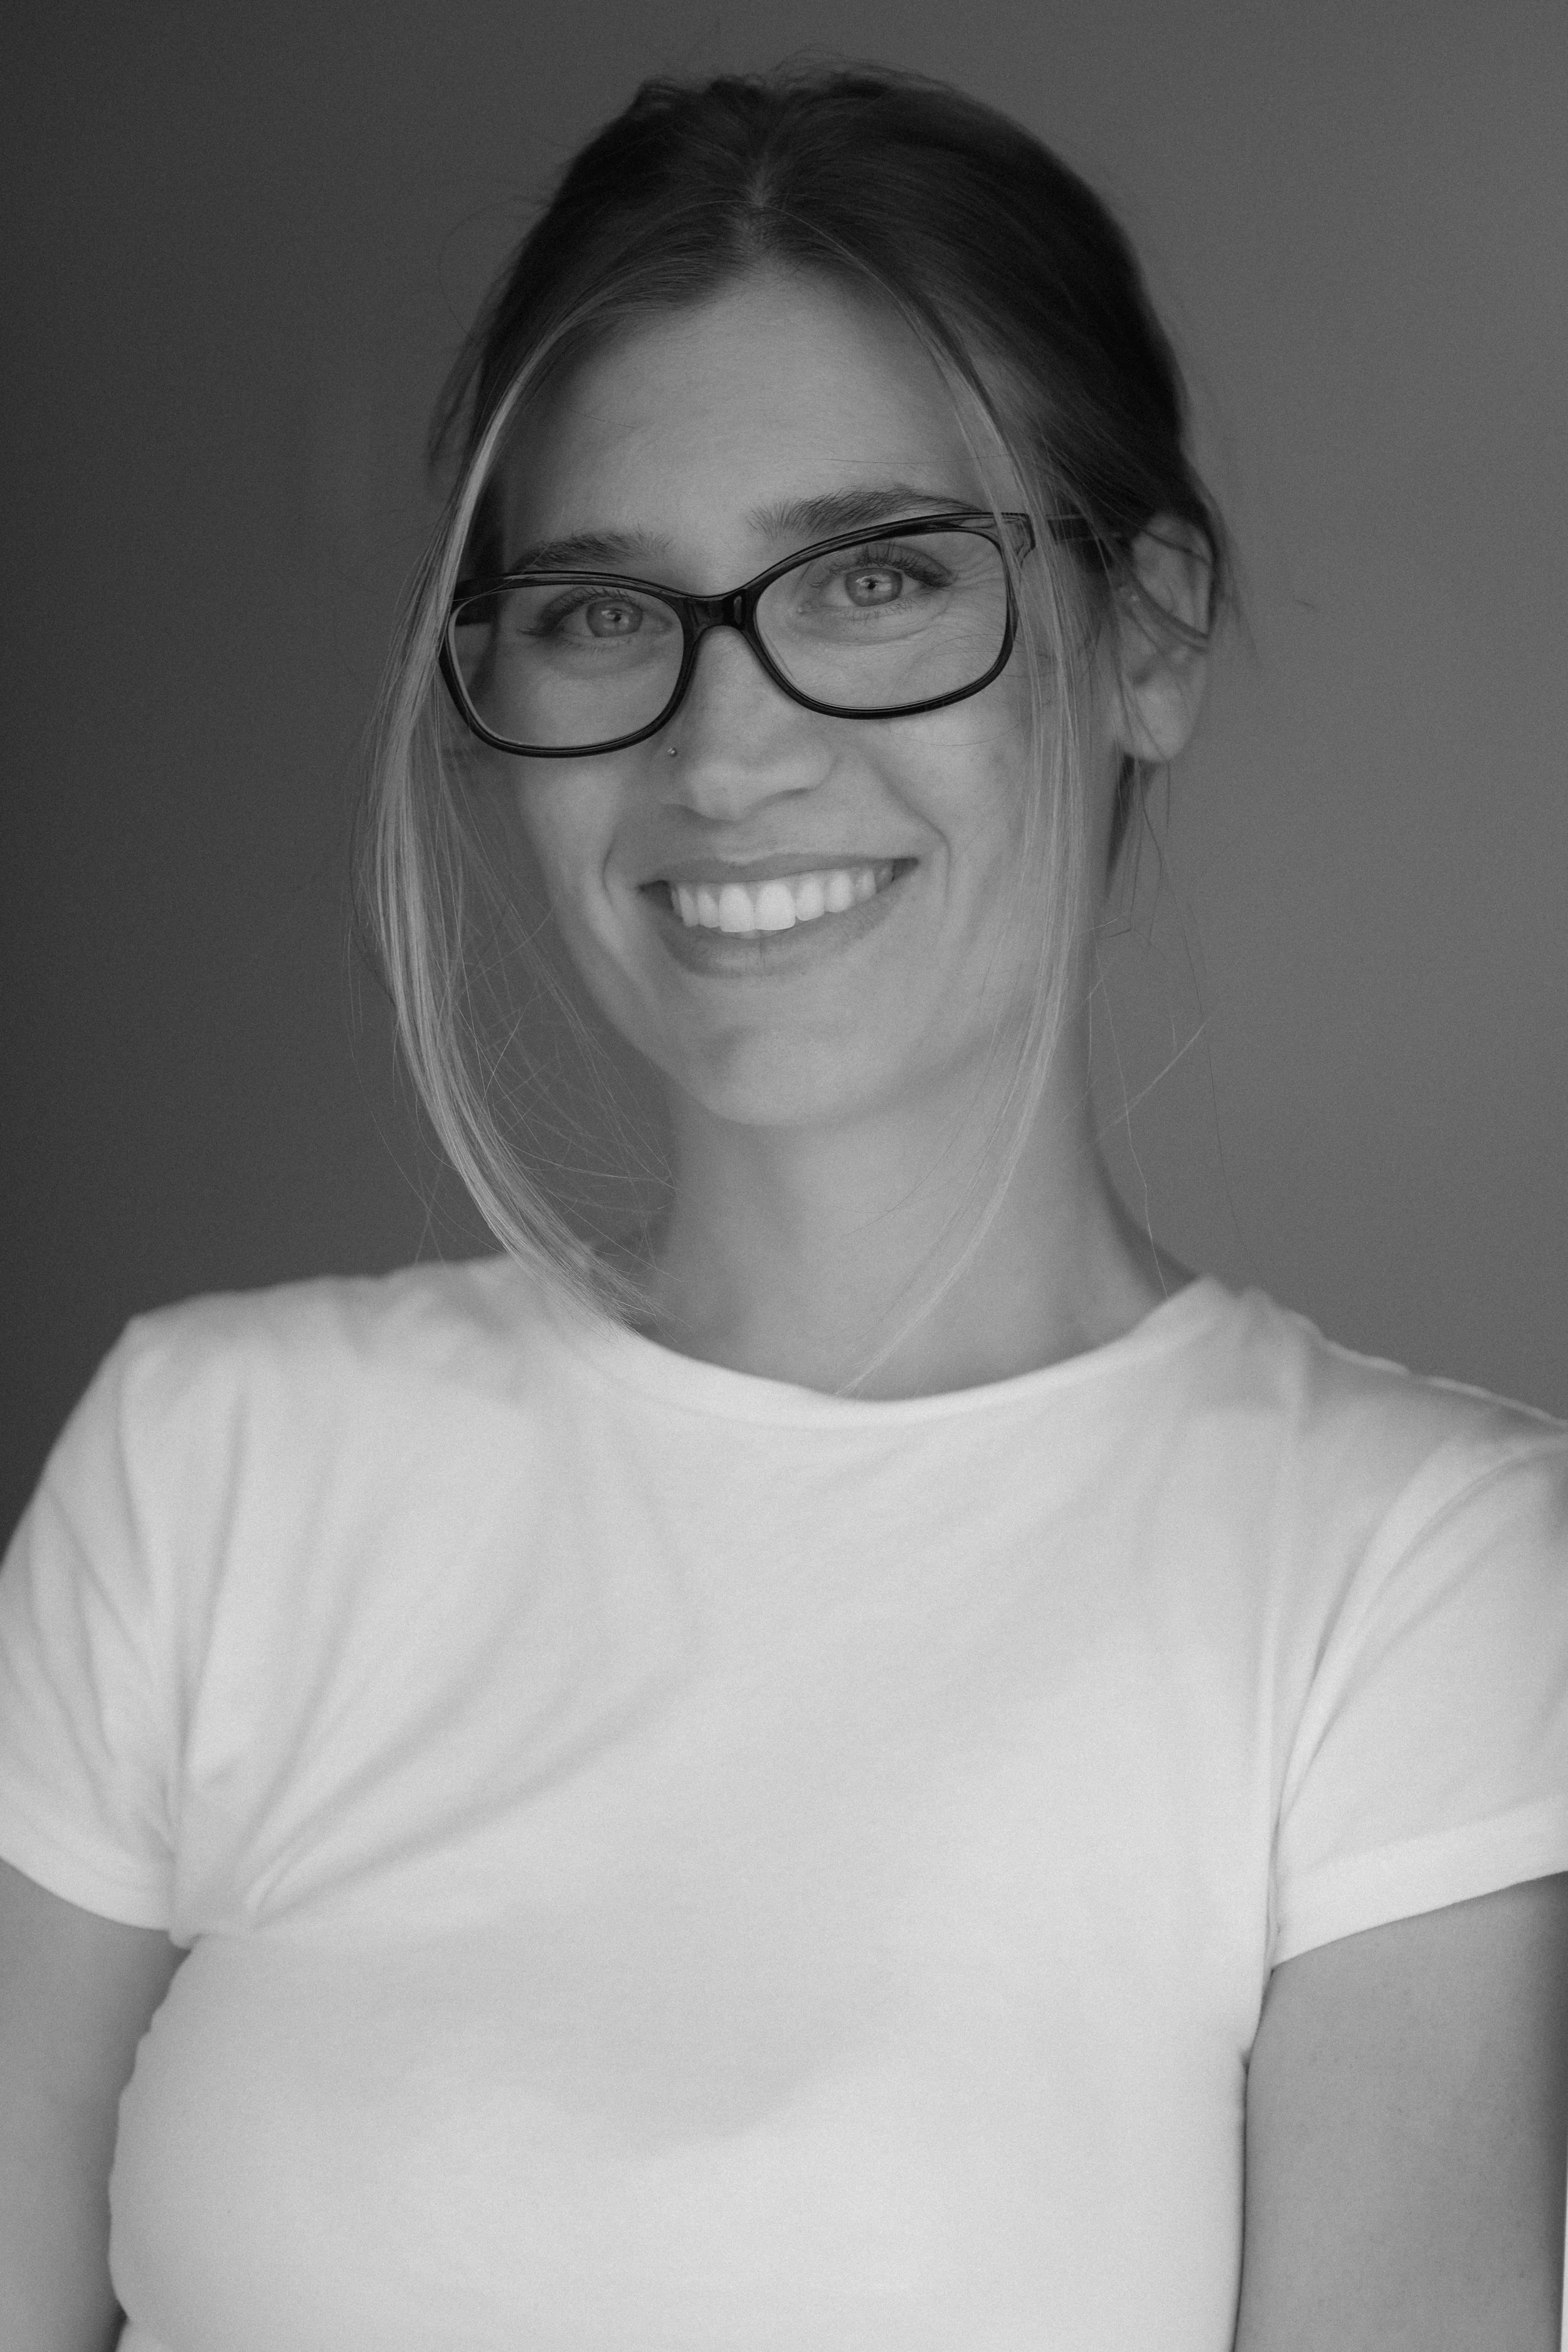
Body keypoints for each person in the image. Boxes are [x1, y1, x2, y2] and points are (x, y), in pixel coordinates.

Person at [1, 62, 1565, 2352]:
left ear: (1146, 632)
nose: (727, 752)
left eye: (880, 574)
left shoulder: (1408, 1578)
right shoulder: (213, 1460)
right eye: (601, 610)